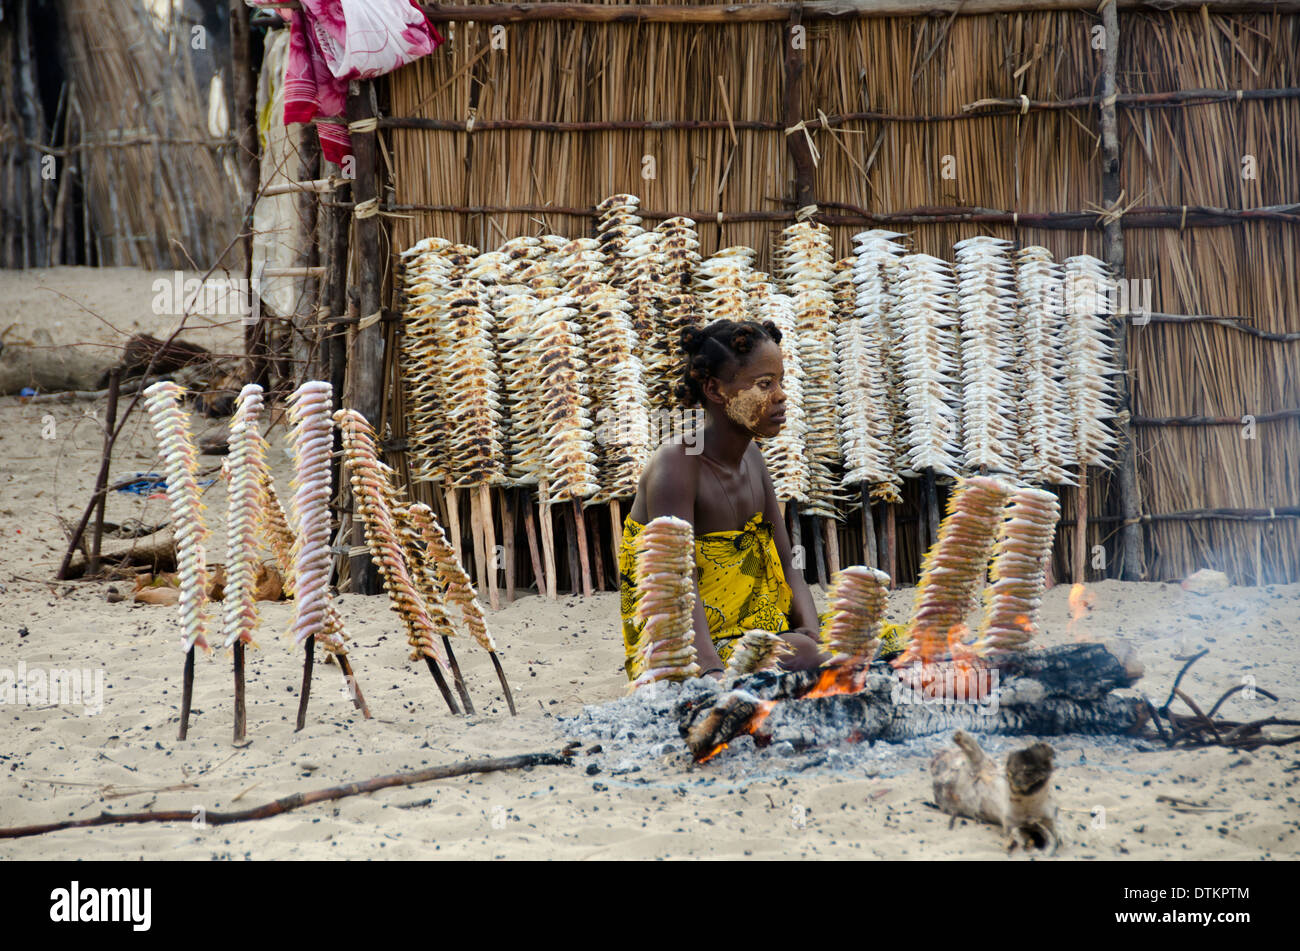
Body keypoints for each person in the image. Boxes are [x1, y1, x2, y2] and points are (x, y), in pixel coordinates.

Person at [619, 318, 828, 681]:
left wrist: (812, 632)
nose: (780, 395)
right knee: (807, 656)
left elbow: (788, 560)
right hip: (686, 644)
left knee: (863, 640)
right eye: (764, 384)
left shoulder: (753, 459)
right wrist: (711, 672)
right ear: (716, 391)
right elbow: (677, 585)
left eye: (781, 382)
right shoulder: (677, 464)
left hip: (757, 627)